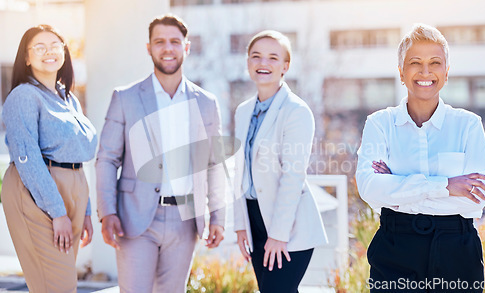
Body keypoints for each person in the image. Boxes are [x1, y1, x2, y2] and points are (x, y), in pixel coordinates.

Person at [356, 24, 485, 292]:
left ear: (447, 72)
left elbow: (477, 197)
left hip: (457, 248)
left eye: (435, 63)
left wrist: (397, 188)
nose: (426, 72)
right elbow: (369, 187)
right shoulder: (380, 124)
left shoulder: (468, 125)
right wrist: (445, 186)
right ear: (401, 72)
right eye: (415, 63)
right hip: (395, 247)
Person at [95, 14, 226, 293]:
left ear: (186, 47)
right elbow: (107, 159)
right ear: (149, 48)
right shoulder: (125, 98)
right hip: (134, 218)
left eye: (175, 42)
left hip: (185, 221)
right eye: (160, 42)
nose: (168, 48)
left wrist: (218, 217)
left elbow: (214, 164)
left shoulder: (206, 103)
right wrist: (107, 212)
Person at [0, 25, 97, 293]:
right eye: (39, 47)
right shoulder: (23, 96)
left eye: (55, 45)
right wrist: (58, 212)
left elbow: (76, 155)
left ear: (64, 53)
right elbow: (27, 157)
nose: (49, 52)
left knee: (59, 283)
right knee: (57, 286)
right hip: (37, 191)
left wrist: (85, 210)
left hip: (71, 191)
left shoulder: (68, 98)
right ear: (27, 58)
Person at [232, 30, 328, 293]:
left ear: (285, 66)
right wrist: (240, 225)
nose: (264, 63)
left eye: (273, 57)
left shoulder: (296, 112)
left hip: (289, 224)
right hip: (254, 220)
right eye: (256, 56)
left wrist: (278, 234)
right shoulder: (242, 112)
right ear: (248, 63)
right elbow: (239, 172)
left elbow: (293, 177)